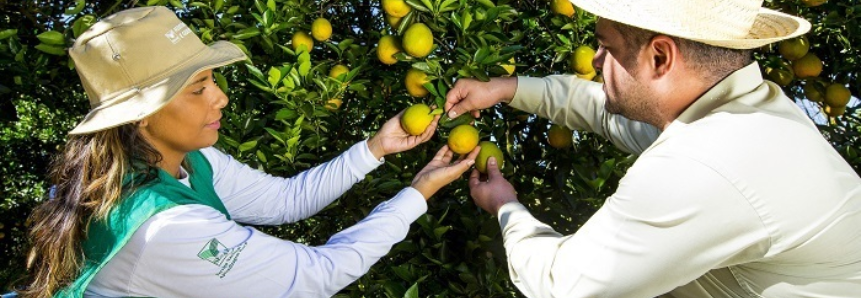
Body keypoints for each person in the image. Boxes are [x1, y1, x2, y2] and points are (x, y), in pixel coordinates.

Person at [23, 6, 479, 298]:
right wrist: (418, 193)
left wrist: (376, 147)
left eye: (212, 81)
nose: (219, 98)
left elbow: (286, 201)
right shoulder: (163, 229)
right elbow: (315, 276)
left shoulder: (174, 162)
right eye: (199, 87)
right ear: (143, 114)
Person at [446, 0, 861, 297]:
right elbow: (607, 113)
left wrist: (506, 206)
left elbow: (562, 285)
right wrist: (502, 89)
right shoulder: (745, 113)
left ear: (660, 56)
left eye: (606, 46)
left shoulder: (707, 162)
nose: (594, 60)